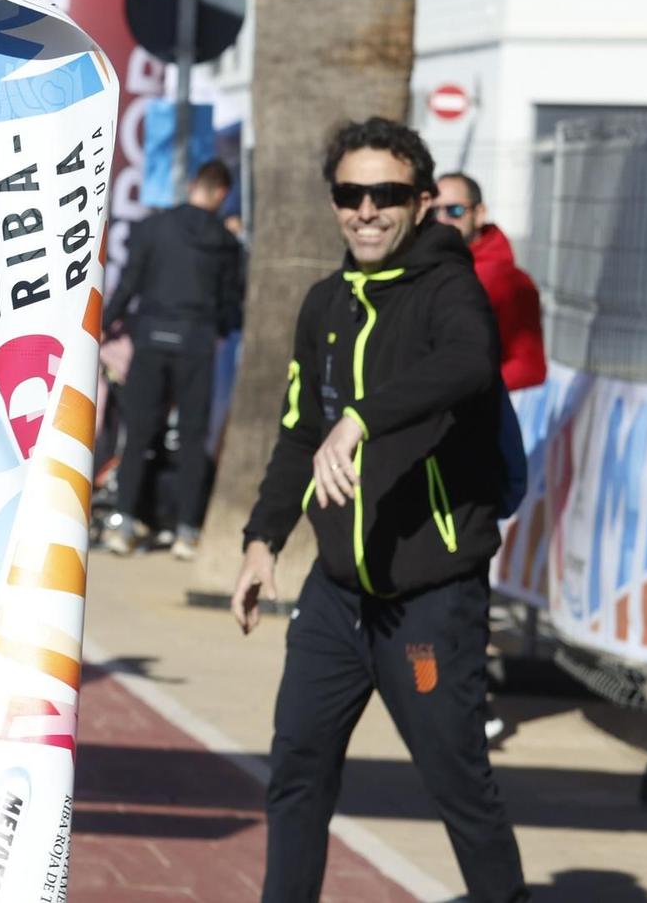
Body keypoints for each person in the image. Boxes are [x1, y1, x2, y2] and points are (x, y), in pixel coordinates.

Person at [231, 118, 526, 903]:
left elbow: (466, 363)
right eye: (350, 193)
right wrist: (262, 540)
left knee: (458, 786)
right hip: (334, 598)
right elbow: (300, 434)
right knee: (296, 771)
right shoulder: (325, 301)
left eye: (387, 194)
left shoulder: (447, 289)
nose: (367, 209)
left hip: (427, 596)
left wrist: (361, 417)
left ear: (423, 202)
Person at [100, 158, 242, 558]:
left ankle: (124, 523)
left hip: (151, 339)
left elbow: (129, 286)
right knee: (193, 438)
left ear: (195, 184)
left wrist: (102, 327)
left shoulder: (152, 228)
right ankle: (186, 530)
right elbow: (232, 306)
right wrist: (217, 329)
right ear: (221, 193)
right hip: (196, 345)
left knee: (139, 433)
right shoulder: (226, 242)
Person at [433, 173, 546, 391]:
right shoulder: (423, 268)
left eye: (454, 210)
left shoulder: (510, 281)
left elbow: (529, 366)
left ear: (479, 214)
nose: (441, 220)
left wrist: (462, 393)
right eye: (433, 212)